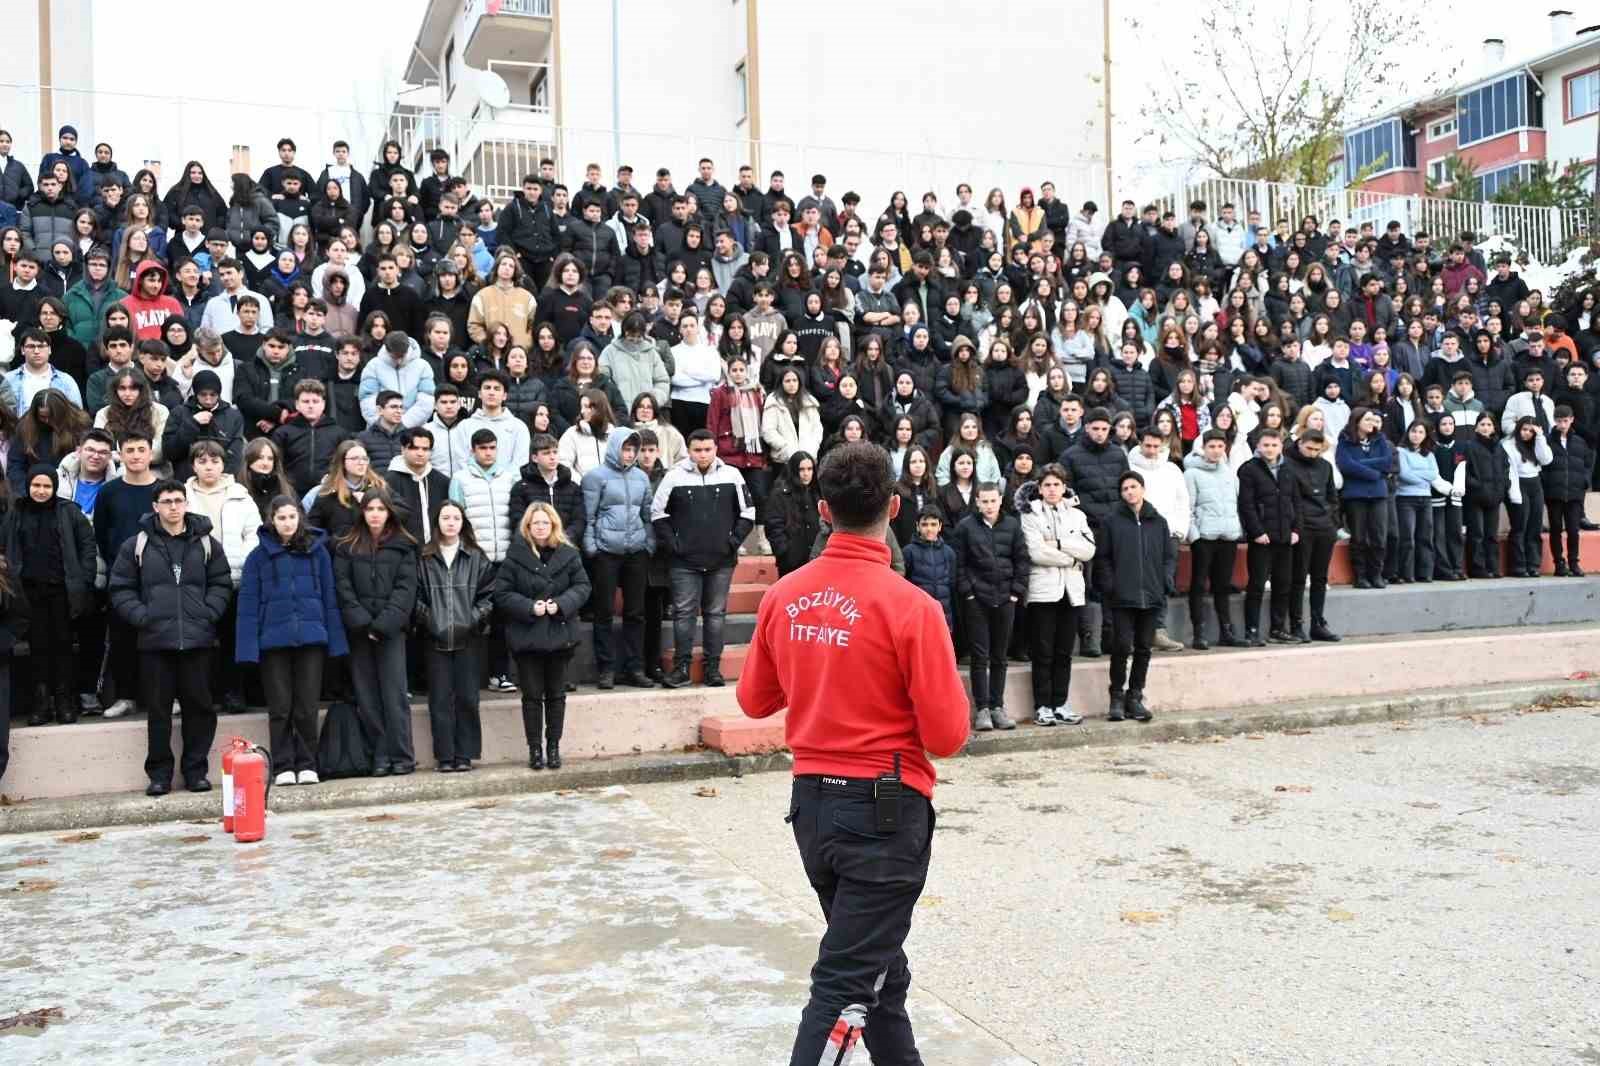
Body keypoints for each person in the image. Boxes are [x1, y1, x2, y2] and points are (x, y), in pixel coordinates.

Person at [736, 440, 968, 1065]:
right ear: (893, 508)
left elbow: (754, 701)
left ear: (822, 510)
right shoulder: (912, 607)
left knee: (877, 974)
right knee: (847, 985)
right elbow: (948, 736)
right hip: (884, 815)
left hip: (814, 809)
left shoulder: (786, 596)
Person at [108, 478, 233, 796]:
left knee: (200, 708)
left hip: (198, 639)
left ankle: (196, 772)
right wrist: (143, 617)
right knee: (159, 710)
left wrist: (207, 613)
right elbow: (121, 587)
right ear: (155, 506)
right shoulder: (136, 544)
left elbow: (221, 582)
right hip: (155, 641)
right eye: (167, 501)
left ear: (186, 503)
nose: (173, 507)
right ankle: (160, 775)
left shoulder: (207, 543)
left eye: (178, 500)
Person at [235, 495, 347, 786]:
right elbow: (247, 605)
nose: (287, 523)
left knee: (307, 706)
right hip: (273, 643)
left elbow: (329, 598)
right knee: (280, 708)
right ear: (272, 520)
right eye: (281, 517)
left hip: (311, 640)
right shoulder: (258, 557)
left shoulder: (318, 553)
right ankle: (283, 765)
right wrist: (247, 649)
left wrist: (335, 641)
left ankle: (308, 763)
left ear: (300, 519)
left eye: (292, 517)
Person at [652, 429, 754, 688]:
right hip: (683, 562)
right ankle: (682, 668)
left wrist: (732, 543)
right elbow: (657, 513)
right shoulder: (673, 476)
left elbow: (749, 512)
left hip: (721, 561)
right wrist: (674, 545)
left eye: (708, 449)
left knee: (715, 614)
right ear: (689, 450)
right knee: (684, 613)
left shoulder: (732, 474)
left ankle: (712, 668)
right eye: (697, 450)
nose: (703, 454)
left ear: (715, 449)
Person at [496, 500, 591, 770]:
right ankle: (535, 749)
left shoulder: (569, 554)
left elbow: (583, 586)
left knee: (557, 696)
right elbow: (502, 593)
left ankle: (554, 746)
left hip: (560, 635)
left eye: (545, 523)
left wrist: (561, 604)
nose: (540, 527)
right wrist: (529, 607)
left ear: (553, 525)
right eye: (535, 522)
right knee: (532, 696)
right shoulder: (515, 555)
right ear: (527, 526)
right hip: (528, 637)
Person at [0, 464, 96, 726]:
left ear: (54, 487)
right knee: (38, 649)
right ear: (28, 486)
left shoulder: (69, 512)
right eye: (36, 485)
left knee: (63, 647)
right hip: (28, 594)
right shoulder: (15, 513)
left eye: (46, 486)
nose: (41, 491)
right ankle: (41, 703)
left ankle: (65, 701)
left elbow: (87, 548)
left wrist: (84, 581)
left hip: (62, 593)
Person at [332, 493, 418, 776]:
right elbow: (342, 587)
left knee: (394, 695)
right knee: (367, 697)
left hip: (391, 633)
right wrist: (362, 623)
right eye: (370, 508)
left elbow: (405, 591)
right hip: (359, 633)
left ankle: (402, 755)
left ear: (389, 512)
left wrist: (382, 625)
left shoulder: (404, 546)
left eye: (381, 508)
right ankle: (380, 755)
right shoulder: (347, 545)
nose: (375, 514)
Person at [415, 499, 495, 773]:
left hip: (469, 639)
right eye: (445, 518)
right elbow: (414, 597)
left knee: (467, 698)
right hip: (434, 638)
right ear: (437, 522)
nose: (451, 523)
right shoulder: (424, 558)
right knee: (439, 699)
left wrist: (471, 619)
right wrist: (431, 620)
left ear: (463, 523)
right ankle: (445, 756)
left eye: (456, 518)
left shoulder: (475, 557)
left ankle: (465, 754)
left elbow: (489, 597)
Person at [1095, 470, 1176, 722]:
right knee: (1121, 646)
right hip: (1122, 596)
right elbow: (1104, 558)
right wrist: (1111, 585)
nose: (1130, 492)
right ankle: (1116, 696)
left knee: (1144, 647)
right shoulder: (1112, 521)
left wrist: (1164, 581)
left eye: (1133, 487)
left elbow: (1168, 557)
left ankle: (1135, 696)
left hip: (1151, 596)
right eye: (1125, 489)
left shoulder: (1158, 522)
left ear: (1142, 489)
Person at [1018, 466, 1094, 726]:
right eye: (1047, 485)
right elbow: (1036, 552)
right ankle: (1042, 706)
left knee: (1064, 652)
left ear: (1064, 488)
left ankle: (1061, 703)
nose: (1052, 489)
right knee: (1043, 652)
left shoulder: (1077, 515)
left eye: (1057, 485)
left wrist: (1059, 544)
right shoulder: (1030, 514)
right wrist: (1071, 558)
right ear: (1040, 488)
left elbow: (1090, 549)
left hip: (1071, 592)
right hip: (1043, 592)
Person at [580, 426, 655, 689]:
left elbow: (647, 515)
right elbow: (588, 516)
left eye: (633, 448)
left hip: (636, 551)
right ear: (615, 447)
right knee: (604, 612)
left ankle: (635, 668)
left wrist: (649, 543)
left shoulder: (641, 478)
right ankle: (606, 669)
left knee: (636, 612)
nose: (630, 453)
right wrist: (592, 546)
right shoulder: (594, 477)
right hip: (606, 552)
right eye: (625, 447)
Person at [950, 481, 1028, 730]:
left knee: (999, 657)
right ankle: (982, 709)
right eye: (984, 501)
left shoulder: (1013, 526)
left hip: (1006, 599)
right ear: (977, 502)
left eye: (993, 500)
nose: (989, 505)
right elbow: (959, 564)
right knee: (980, 656)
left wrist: (1016, 592)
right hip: (977, 601)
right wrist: (968, 593)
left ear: (1000, 500)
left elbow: (1022, 560)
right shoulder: (965, 527)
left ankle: (998, 707)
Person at [1236, 429, 1300, 644]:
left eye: (1274, 445)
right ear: (1258, 446)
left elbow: (1296, 502)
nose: (1270, 449)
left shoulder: (1289, 468)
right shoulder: (1248, 470)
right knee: (1256, 585)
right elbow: (1246, 505)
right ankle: (1251, 631)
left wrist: (1295, 530)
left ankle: (1278, 629)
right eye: (1266, 445)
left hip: (1285, 537)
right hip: (1262, 539)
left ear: (1281, 446)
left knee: (1283, 584)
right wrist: (1256, 531)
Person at [1283, 429, 1342, 641]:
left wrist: (1333, 523)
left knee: (1320, 578)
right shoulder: (1287, 463)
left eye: (1317, 450)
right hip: (1302, 527)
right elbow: (1288, 499)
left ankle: (1318, 623)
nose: (1313, 453)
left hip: (1324, 527)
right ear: (1299, 443)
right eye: (1309, 448)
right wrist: (1295, 526)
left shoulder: (1325, 465)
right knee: (1298, 578)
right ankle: (1296, 625)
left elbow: (1332, 497)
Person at [1336, 407, 1395, 589]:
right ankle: (1360, 576)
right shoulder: (1345, 441)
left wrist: (1360, 464)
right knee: (1359, 538)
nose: (1372, 423)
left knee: (1379, 537)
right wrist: (1373, 472)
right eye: (1368, 420)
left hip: (1378, 494)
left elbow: (1387, 463)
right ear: (1357, 421)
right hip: (1356, 495)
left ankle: (1376, 574)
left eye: (1373, 419)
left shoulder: (1380, 440)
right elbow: (1345, 465)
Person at [1462, 412, 1516, 579]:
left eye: (1489, 425)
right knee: (1477, 534)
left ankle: (1493, 567)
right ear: (1477, 426)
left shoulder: (1499, 447)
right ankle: (1478, 568)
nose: (1486, 428)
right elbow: (1464, 471)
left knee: (1491, 535)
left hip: (1494, 496)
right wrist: (1476, 485)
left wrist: (1503, 486)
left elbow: (1506, 469)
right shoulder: (1469, 446)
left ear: (1494, 427)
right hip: (1475, 498)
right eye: (1483, 424)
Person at [1543, 406, 1591, 576]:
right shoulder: (1547, 440)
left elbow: (1586, 464)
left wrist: (1585, 481)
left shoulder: (1579, 441)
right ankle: (1559, 563)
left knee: (1573, 529)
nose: (1562, 424)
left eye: (1565, 421)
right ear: (1554, 421)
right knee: (1556, 528)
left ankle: (1574, 562)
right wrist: (1547, 484)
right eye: (1559, 421)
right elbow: (1543, 464)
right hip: (1554, 493)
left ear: (1571, 420)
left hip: (1575, 493)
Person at [1503, 416, 1553, 578]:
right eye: (1524, 429)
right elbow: (1510, 472)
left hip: (1535, 484)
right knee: (1520, 526)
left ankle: (1533, 564)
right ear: (1518, 429)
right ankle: (1518, 565)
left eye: (1531, 431)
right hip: (1519, 484)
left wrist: (1539, 437)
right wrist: (1514, 495)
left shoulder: (1536, 442)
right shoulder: (1508, 445)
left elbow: (1546, 459)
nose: (1527, 433)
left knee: (1535, 525)